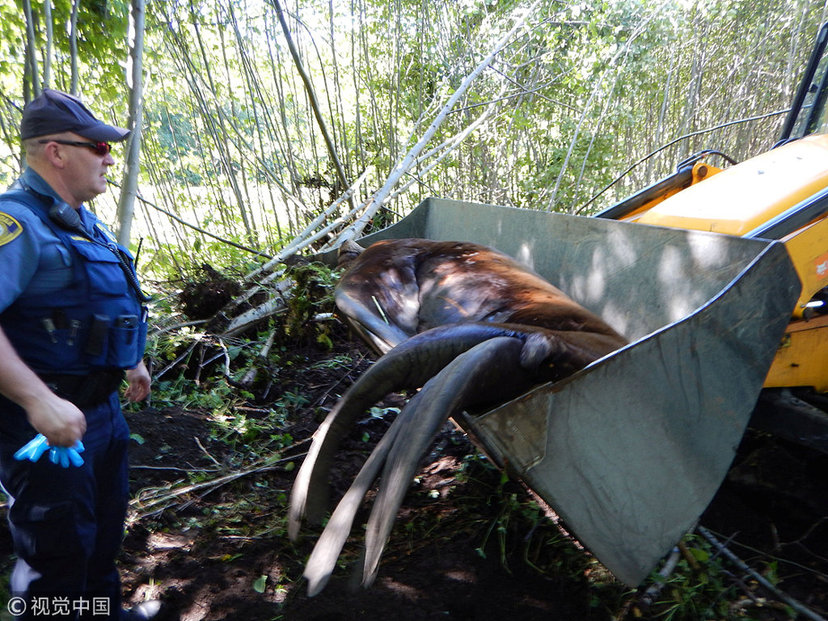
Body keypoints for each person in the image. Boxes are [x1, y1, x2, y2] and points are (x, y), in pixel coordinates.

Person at [0, 89, 158, 620]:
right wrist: (38, 401)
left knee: (100, 539)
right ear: (55, 152)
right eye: (98, 146)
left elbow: (95, 303)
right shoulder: (16, 223)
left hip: (99, 414)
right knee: (57, 558)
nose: (110, 157)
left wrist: (129, 358)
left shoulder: (77, 223)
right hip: (46, 426)